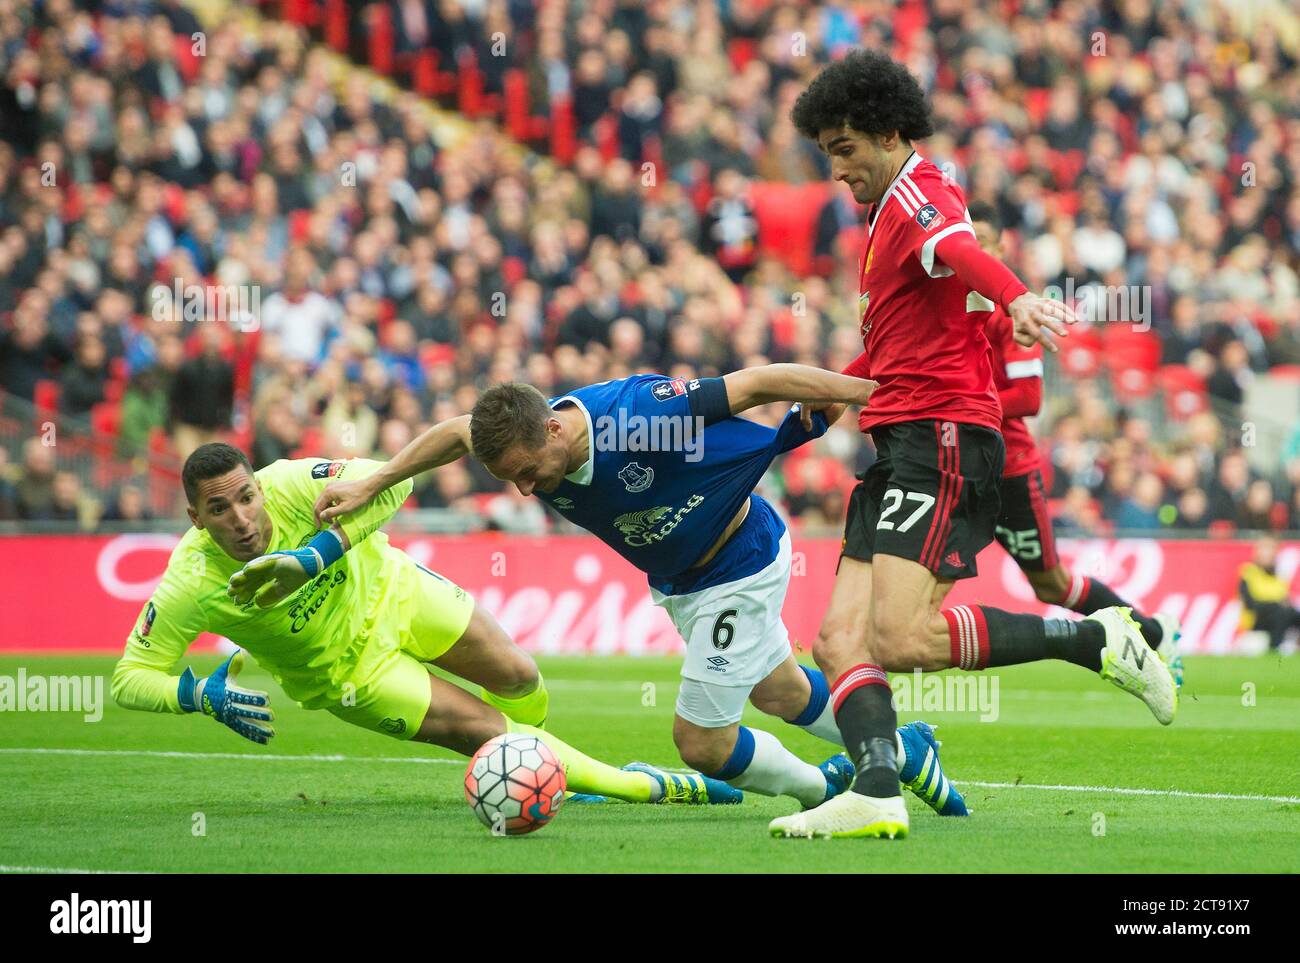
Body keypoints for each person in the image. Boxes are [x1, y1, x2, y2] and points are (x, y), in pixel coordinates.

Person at [768, 50, 1179, 840]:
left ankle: (1095, 638)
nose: (837, 170)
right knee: (838, 639)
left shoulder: (917, 191)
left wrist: (1018, 295)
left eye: (846, 148)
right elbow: (893, 348)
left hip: (942, 435)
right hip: (900, 437)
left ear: (890, 134)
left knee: (901, 637)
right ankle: (879, 790)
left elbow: (963, 250)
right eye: (827, 154)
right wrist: (824, 400)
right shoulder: (885, 211)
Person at [314, 363, 970, 817]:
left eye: (526, 472)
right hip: (686, 581)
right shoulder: (520, 435)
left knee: (701, 742)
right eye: (510, 479)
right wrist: (374, 482)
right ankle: (899, 745)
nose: (525, 490)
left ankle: (818, 791)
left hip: (737, 565)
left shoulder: (638, 418)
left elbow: (758, 384)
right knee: (782, 690)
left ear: (552, 430)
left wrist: (873, 393)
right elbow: (457, 430)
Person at [112, 443, 741, 808]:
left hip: (396, 592)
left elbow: (395, 480)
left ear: (256, 484)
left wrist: (316, 555)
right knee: (492, 734)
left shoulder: (294, 483)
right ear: (196, 517)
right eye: (219, 509)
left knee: (520, 676)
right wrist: (193, 694)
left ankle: (548, 766)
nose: (242, 518)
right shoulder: (190, 582)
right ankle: (644, 787)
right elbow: (129, 678)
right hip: (353, 674)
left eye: (245, 497)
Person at [967, 202, 1181, 672]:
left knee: (1053, 585)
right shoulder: (952, 305)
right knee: (925, 580)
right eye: (967, 241)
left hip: (1007, 471)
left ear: (1001, 248)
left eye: (983, 242)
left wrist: (959, 408)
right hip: (958, 466)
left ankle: (1152, 634)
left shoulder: (1013, 311)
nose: (974, 251)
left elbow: (1028, 396)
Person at [1238, 536, 1300, 652]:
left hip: (1279, 614)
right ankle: (1275, 647)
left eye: (1271, 551)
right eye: (1264, 550)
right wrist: (1275, 604)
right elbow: (1249, 604)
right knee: (1279, 611)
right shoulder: (1248, 572)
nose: (1267, 555)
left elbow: (1285, 599)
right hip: (1256, 618)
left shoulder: (1279, 576)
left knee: (1291, 613)